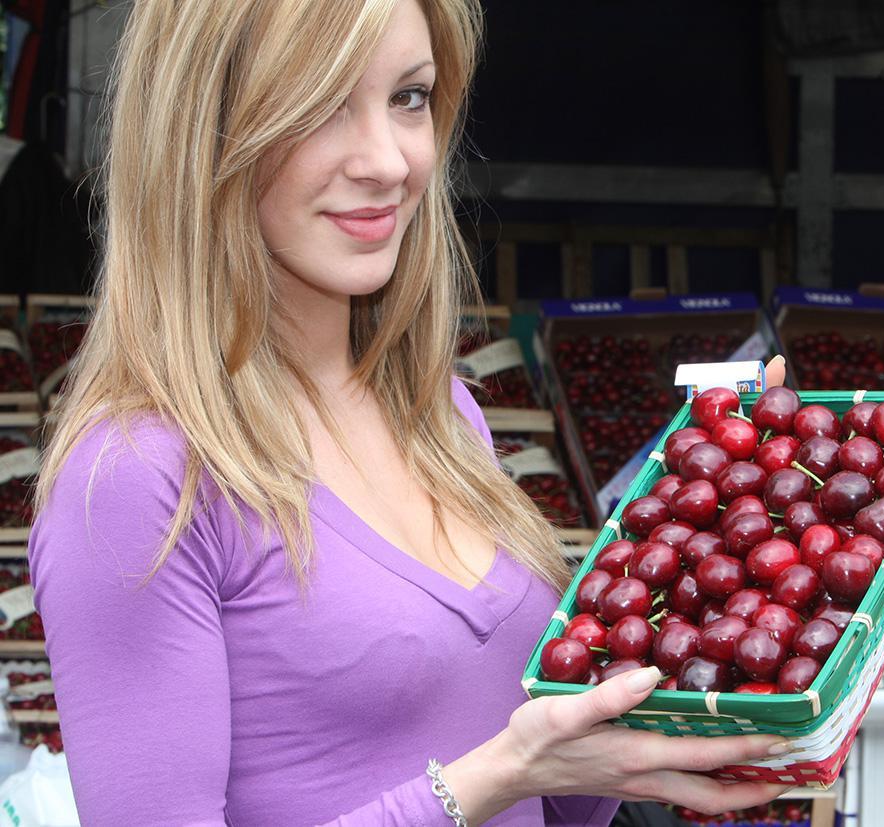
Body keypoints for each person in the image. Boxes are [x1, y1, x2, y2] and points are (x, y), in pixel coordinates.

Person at [28, 1, 795, 824]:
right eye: (321, 104)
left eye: (410, 97)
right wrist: (490, 775)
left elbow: (558, 803)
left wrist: (698, 551)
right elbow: (502, 777)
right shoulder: (138, 478)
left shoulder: (441, 415)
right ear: (202, 131)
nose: (389, 161)